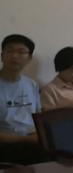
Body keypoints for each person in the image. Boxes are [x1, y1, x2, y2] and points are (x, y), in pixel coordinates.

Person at [0, 34, 43, 163]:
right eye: (10, 51)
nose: (14, 56)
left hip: (33, 143)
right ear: (2, 56)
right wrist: (25, 139)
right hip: (4, 147)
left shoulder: (31, 84)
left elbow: (38, 117)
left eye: (21, 52)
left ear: (29, 58)